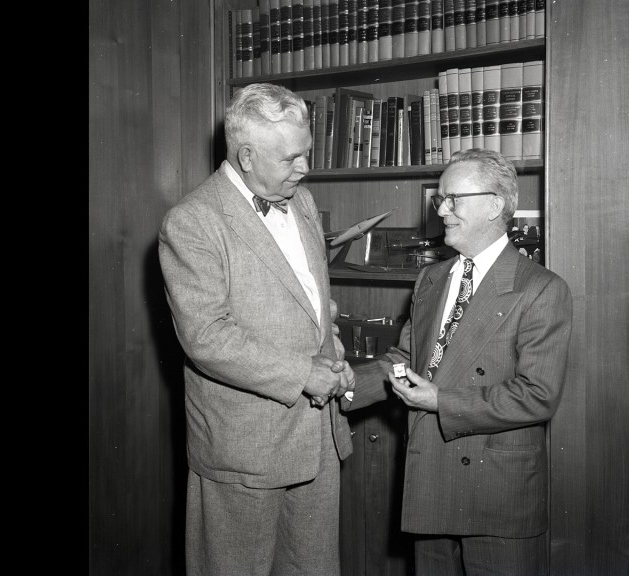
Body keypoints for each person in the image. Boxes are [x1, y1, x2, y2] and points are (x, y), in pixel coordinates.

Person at [343, 148, 573, 576]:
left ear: (495, 205)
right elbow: (406, 359)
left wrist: (440, 401)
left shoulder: (540, 288)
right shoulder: (432, 277)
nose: (442, 210)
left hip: (496, 493)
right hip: (431, 480)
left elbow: (537, 396)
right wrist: (345, 385)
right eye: (440, 199)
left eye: (454, 199)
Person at [158, 82, 356, 576]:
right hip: (245, 448)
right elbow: (207, 336)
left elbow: (308, 298)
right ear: (246, 156)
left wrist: (331, 352)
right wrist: (304, 374)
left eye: (305, 154)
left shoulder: (303, 202)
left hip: (317, 438)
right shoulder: (193, 222)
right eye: (291, 159)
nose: (304, 169)